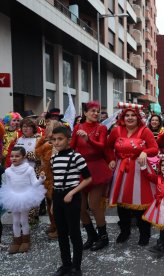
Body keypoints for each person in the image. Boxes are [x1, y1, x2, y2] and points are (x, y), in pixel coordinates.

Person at [107, 102, 159, 246]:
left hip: (139, 169)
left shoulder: (145, 131)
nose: (129, 118)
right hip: (121, 169)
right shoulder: (116, 131)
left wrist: (144, 151)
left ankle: (145, 234)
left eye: (132, 116)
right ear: (123, 117)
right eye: (127, 115)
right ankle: (124, 231)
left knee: (141, 203)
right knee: (122, 203)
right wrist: (111, 159)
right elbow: (107, 147)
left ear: (138, 118)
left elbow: (154, 148)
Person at [71, 101, 113, 251]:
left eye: (98, 111)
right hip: (80, 170)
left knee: (95, 205)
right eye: (92, 111)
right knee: (80, 208)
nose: (96, 113)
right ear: (85, 113)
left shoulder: (101, 128)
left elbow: (103, 146)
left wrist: (89, 139)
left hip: (97, 170)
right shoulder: (78, 127)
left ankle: (103, 237)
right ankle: (92, 235)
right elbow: (72, 147)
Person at [50, 126, 92, 276]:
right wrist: (54, 202)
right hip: (58, 196)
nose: (56, 142)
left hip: (72, 196)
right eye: (54, 139)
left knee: (74, 232)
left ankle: (76, 266)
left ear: (68, 139)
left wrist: (72, 192)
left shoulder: (76, 157)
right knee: (61, 233)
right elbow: (56, 180)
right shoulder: (53, 158)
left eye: (60, 139)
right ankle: (66, 264)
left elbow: (88, 178)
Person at [0, 146, 46, 254]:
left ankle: (25, 241)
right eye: (12, 156)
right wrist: (9, 197)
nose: (14, 158)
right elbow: (8, 185)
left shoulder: (29, 169)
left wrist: (41, 179)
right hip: (13, 197)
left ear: (23, 157)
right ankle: (16, 241)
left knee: (23, 220)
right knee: (15, 220)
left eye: (17, 156)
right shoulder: (8, 171)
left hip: (25, 196)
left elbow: (34, 183)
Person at [142, 154, 164, 253]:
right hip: (158, 204)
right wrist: (143, 166)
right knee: (162, 224)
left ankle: (161, 243)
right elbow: (147, 175)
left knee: (163, 224)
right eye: (162, 165)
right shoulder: (157, 178)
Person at [35, 120, 62, 239]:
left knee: (56, 205)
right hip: (46, 176)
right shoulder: (46, 142)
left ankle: (60, 229)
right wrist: (42, 140)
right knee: (49, 203)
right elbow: (37, 153)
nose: (46, 130)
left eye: (48, 128)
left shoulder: (56, 144)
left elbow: (51, 159)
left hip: (54, 177)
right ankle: (53, 225)